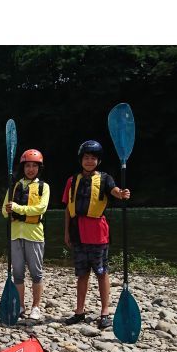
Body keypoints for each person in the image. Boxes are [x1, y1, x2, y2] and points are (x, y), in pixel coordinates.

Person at [62, 140, 131, 329]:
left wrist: (122, 194)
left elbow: (114, 191)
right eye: (86, 158)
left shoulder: (105, 178)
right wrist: (66, 232)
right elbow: (68, 209)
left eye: (93, 158)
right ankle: (79, 311)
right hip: (78, 233)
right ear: (81, 160)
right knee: (82, 274)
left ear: (98, 161)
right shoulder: (72, 180)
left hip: (98, 234)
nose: (89, 161)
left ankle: (105, 312)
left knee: (101, 273)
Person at [1, 149, 50, 321]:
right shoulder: (14, 186)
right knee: (18, 274)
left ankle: (36, 306)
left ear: (39, 168)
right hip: (15, 235)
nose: (30, 169)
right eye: (28, 166)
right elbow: (4, 211)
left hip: (34, 234)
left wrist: (17, 208)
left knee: (36, 273)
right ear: (23, 167)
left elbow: (41, 208)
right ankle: (20, 305)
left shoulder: (44, 187)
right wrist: (9, 209)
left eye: (34, 166)